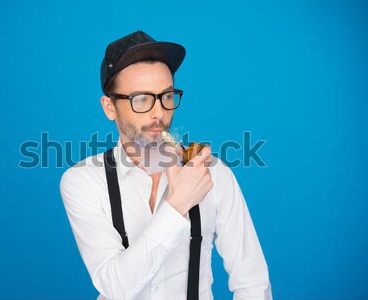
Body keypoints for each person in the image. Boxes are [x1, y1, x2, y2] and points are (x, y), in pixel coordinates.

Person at [60, 30, 272, 300]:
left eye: (167, 96)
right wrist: (178, 204)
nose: (158, 112)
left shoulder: (214, 173)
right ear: (109, 107)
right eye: (141, 99)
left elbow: (252, 281)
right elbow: (115, 287)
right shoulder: (83, 181)